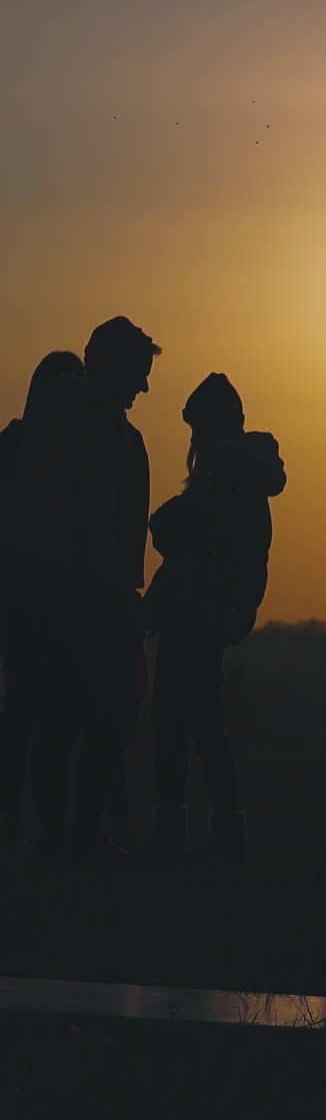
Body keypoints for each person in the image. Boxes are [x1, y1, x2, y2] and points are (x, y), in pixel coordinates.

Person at [0, 317, 160, 861]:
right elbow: (95, 518)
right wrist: (118, 590)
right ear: (110, 365)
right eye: (139, 373)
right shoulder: (102, 428)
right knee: (112, 713)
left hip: (34, 587)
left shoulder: (43, 422)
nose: (143, 387)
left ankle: (53, 835)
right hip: (88, 590)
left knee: (55, 716)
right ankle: (83, 834)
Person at [145, 373, 286, 862]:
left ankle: (184, 826)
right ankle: (221, 825)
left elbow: (172, 528)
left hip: (196, 609)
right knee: (202, 720)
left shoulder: (222, 473)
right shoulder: (243, 474)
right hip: (213, 608)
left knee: (178, 719)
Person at [0, 351, 86, 848]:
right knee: (45, 710)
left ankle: (21, 816)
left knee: (24, 708)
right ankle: (43, 821)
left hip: (25, 598)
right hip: (36, 598)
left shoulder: (16, 443)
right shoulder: (44, 448)